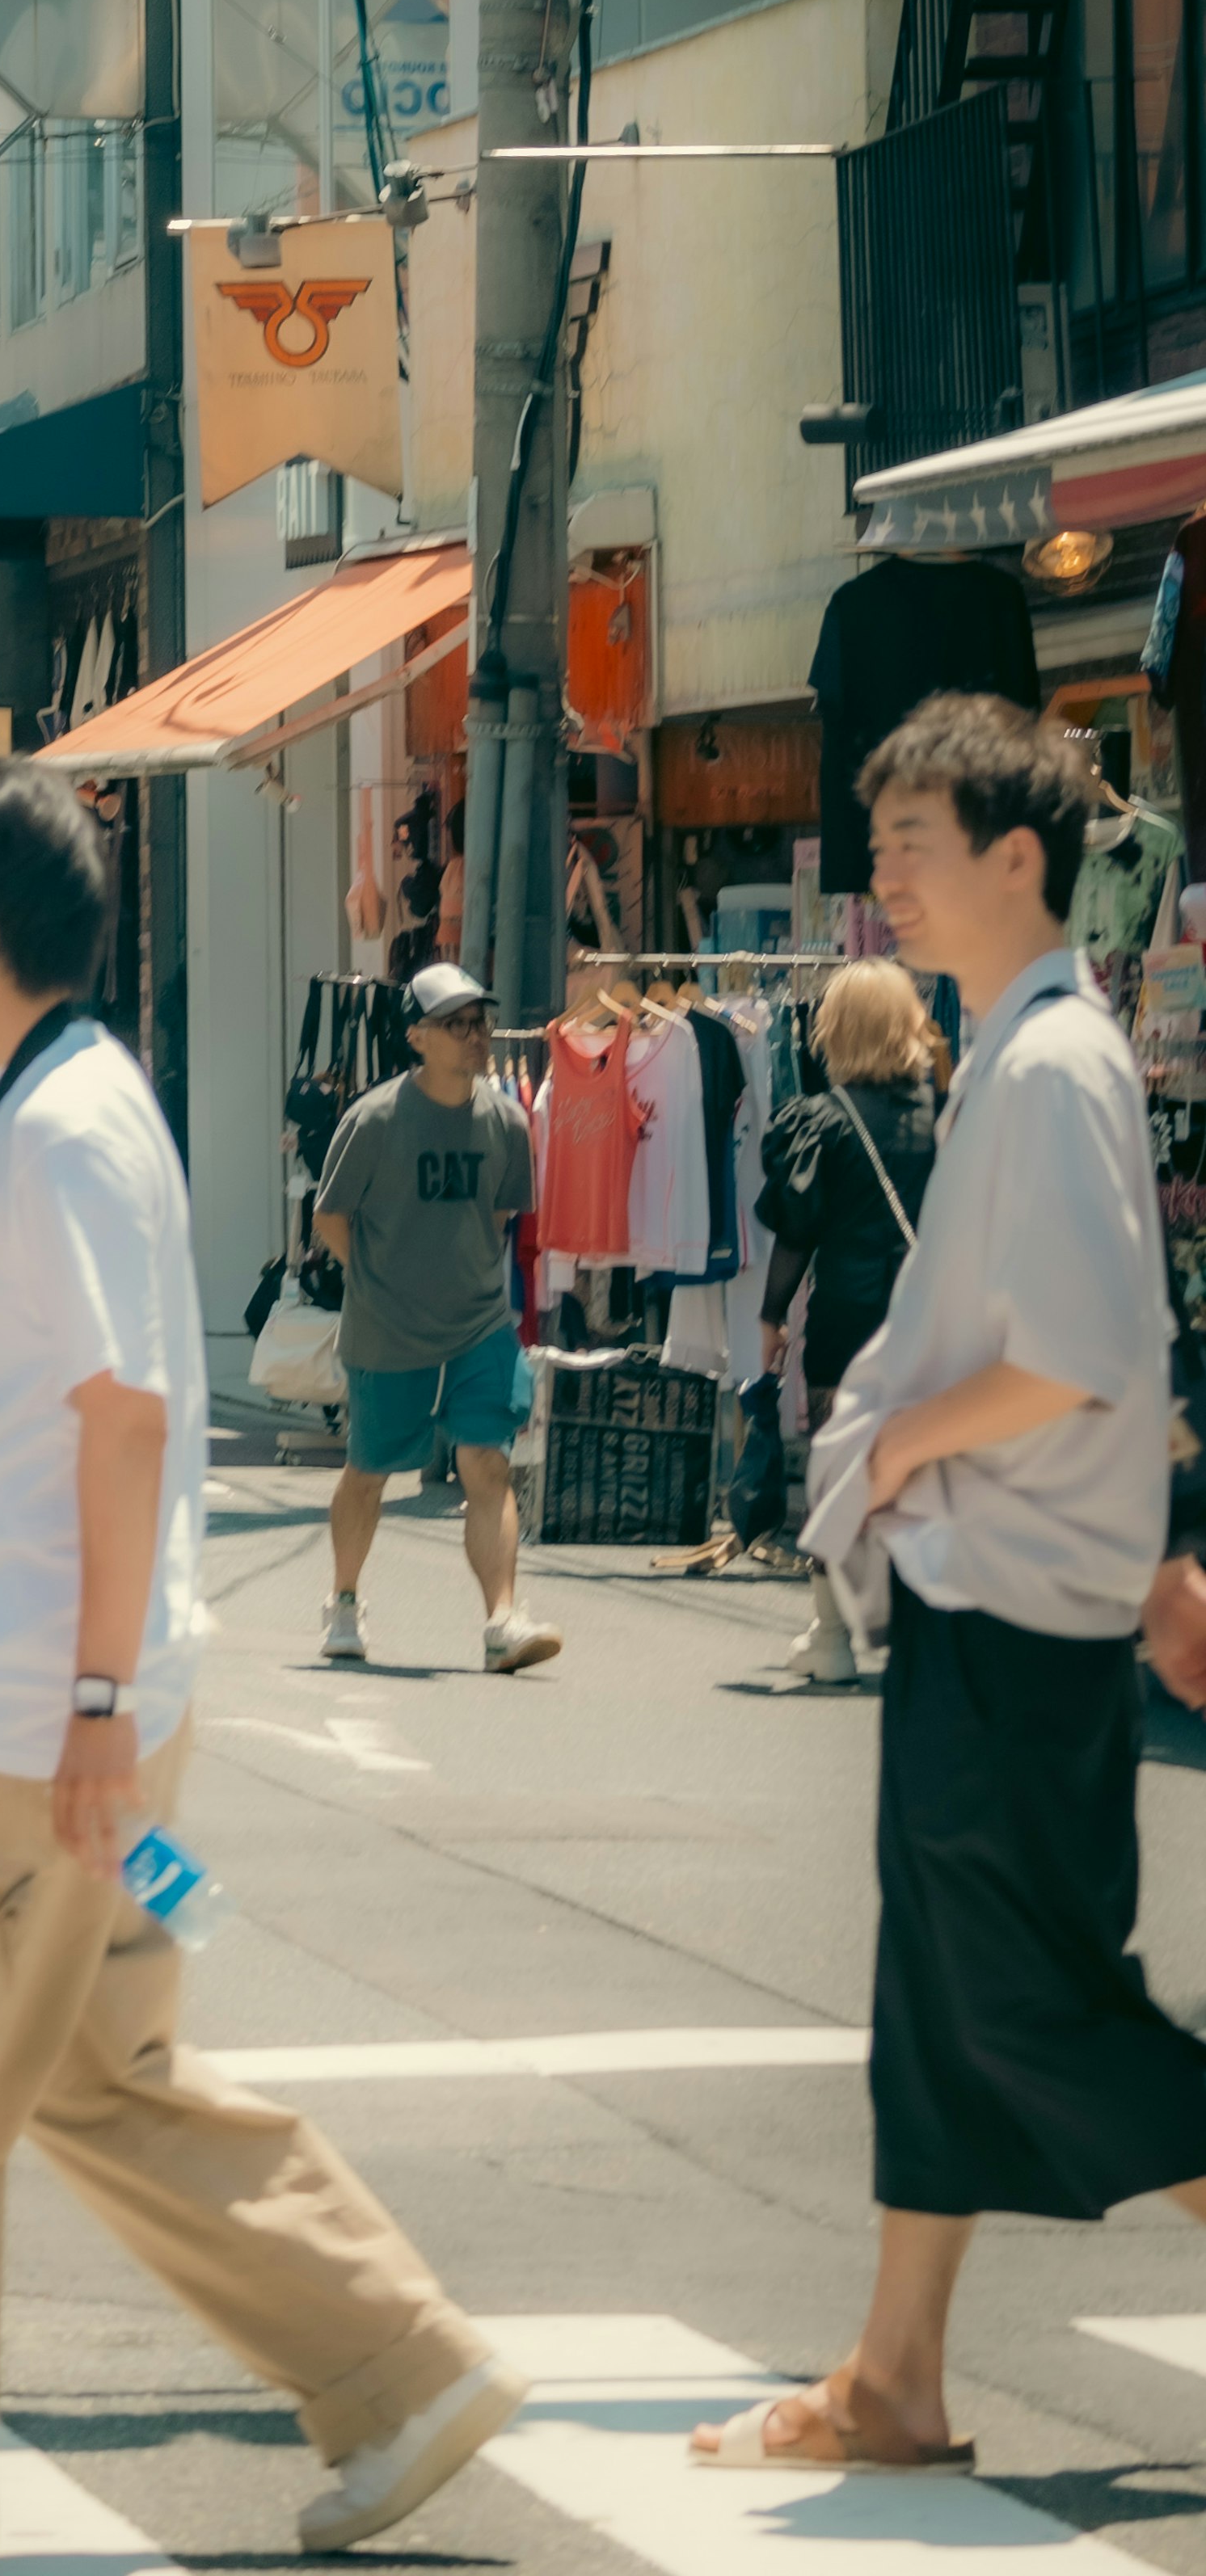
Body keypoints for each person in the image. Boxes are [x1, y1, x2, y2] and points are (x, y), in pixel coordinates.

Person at [0, 761, 520, 2569]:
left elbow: (124, 1421)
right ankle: (396, 2358)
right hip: (73, 1704)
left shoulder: (52, 1124)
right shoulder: (45, 1101)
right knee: (94, 2076)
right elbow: (37, 1425)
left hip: (35, 1723)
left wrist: (90, 1706)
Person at [695, 697, 1206, 2477]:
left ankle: (895, 2380)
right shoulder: (1020, 1050)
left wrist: (905, 1451)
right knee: (949, 2009)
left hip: (1008, 1606)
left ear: (1018, 858)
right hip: (1014, 1601)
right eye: (881, 838)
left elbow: (1071, 1354)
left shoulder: (1048, 1066)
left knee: (1023, 2013)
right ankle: (893, 2379)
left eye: (913, 841)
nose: (880, 874)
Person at [312, 962, 559, 1676]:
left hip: (481, 1326)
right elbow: (331, 1218)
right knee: (369, 1471)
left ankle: (503, 1620)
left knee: (486, 1463)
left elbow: (501, 1216)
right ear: (417, 1036)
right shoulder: (375, 1118)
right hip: (389, 1333)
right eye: (457, 1024)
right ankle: (346, 1601)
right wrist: (382, 1279)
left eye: (480, 1021)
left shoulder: (509, 1121)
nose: (477, 1035)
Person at [753, 960, 943, 1690]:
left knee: (842, 1480)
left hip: (847, 1327)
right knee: (926, 1480)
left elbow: (795, 1233)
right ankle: (920, 1641)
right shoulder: (946, 1113)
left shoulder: (821, 1121)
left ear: (835, 1027)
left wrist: (773, 1319)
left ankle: (831, 1637)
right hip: (932, 1326)